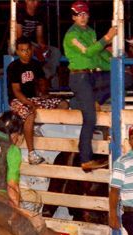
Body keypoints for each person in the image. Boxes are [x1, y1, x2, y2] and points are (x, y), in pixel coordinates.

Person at [63, 0, 117, 172]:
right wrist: (107, 38)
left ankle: (85, 101)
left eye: (85, 14)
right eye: (79, 14)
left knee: (123, 79)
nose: (83, 17)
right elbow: (88, 51)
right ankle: (85, 159)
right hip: (80, 77)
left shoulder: (91, 31)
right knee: (90, 119)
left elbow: (97, 55)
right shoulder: (71, 35)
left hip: (92, 74)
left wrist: (115, 67)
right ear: (73, 17)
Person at [7, 37, 68, 165]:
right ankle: (31, 153)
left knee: (63, 104)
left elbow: (42, 82)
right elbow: (16, 91)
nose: (26, 53)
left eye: (28, 50)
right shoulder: (13, 67)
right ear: (17, 52)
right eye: (23, 50)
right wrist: (29, 103)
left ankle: (45, 130)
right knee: (29, 114)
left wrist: (44, 94)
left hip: (33, 98)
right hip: (18, 100)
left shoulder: (36, 64)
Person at [16, 0, 62, 89]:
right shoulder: (20, 13)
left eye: (36, 0)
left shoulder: (39, 14)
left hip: (33, 43)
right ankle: (39, 79)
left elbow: (39, 35)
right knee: (29, 51)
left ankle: (47, 75)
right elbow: (19, 36)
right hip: (19, 43)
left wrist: (42, 45)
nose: (34, 3)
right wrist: (32, 47)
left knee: (55, 52)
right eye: (31, 1)